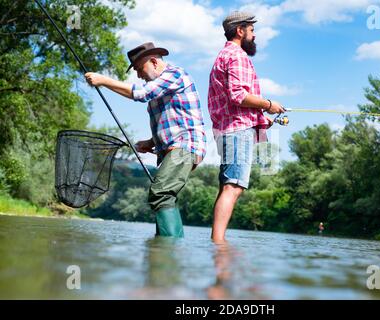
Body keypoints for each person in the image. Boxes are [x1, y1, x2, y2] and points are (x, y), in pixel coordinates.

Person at [85, 42, 206, 238]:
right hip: (175, 148)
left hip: (186, 146)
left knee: (160, 193)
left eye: (139, 69)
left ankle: (168, 248)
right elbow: (174, 120)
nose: (139, 75)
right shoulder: (162, 87)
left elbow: (141, 94)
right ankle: (167, 249)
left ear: (153, 62)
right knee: (165, 196)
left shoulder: (174, 74)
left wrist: (103, 80)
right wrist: (150, 142)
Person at [208, 11, 285, 242]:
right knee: (233, 187)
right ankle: (219, 242)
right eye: (252, 30)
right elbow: (239, 95)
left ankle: (216, 241)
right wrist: (269, 104)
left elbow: (233, 100)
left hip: (228, 129)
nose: (254, 35)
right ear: (240, 31)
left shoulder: (223, 55)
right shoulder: (238, 56)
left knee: (227, 186)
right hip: (236, 130)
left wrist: (261, 119)